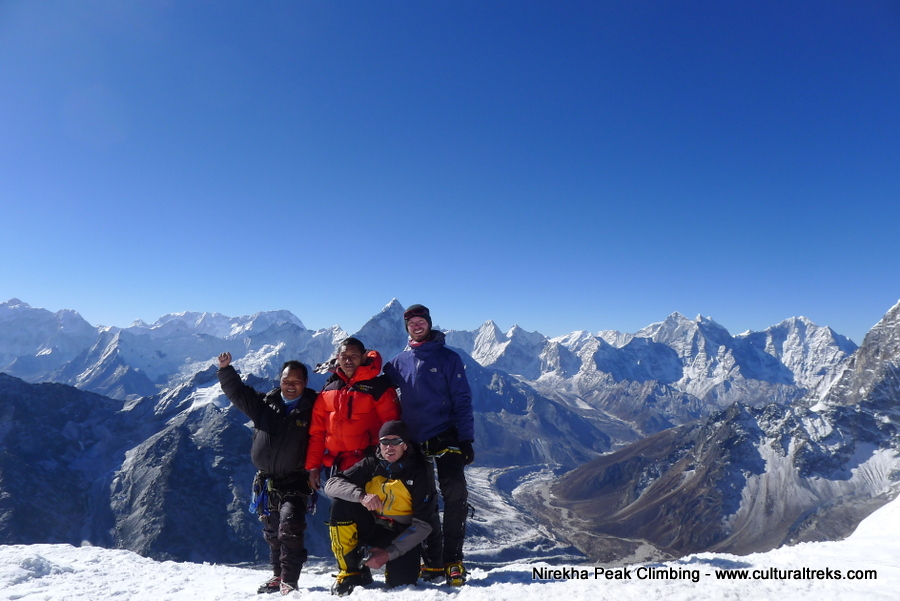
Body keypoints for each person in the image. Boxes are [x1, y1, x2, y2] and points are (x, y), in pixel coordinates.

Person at [382, 304, 475, 586]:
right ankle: (433, 562)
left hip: (446, 435)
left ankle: (453, 560)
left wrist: (467, 438)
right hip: (414, 440)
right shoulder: (398, 363)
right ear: (407, 327)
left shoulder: (449, 358)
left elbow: (462, 399)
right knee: (424, 502)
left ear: (429, 324)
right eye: (412, 322)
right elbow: (376, 387)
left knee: (455, 492)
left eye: (421, 321)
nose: (417, 325)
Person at [217, 352, 317, 596]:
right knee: (272, 532)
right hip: (267, 480)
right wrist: (225, 369)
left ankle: (290, 582)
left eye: (296, 381)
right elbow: (238, 394)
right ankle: (278, 575)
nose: (291, 386)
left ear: (305, 382)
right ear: (279, 381)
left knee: (290, 527)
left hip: (297, 478)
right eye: (286, 380)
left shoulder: (315, 408)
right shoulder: (265, 405)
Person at [324, 420, 436, 596]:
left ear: (405, 446)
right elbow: (331, 485)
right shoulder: (371, 463)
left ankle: (395, 565)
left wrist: (389, 554)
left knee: (402, 583)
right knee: (341, 504)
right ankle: (351, 571)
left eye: (396, 442)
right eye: (385, 441)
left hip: (401, 533)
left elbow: (423, 524)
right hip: (371, 525)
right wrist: (361, 496)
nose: (389, 447)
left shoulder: (419, 472)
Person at [305, 337, 401, 490]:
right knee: (341, 510)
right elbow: (318, 432)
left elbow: (392, 428)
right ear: (338, 358)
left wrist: (388, 461)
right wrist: (313, 466)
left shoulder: (378, 388)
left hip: (369, 463)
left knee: (360, 509)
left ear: (363, 357)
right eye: (344, 356)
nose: (348, 360)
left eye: (354, 356)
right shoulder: (330, 388)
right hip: (335, 465)